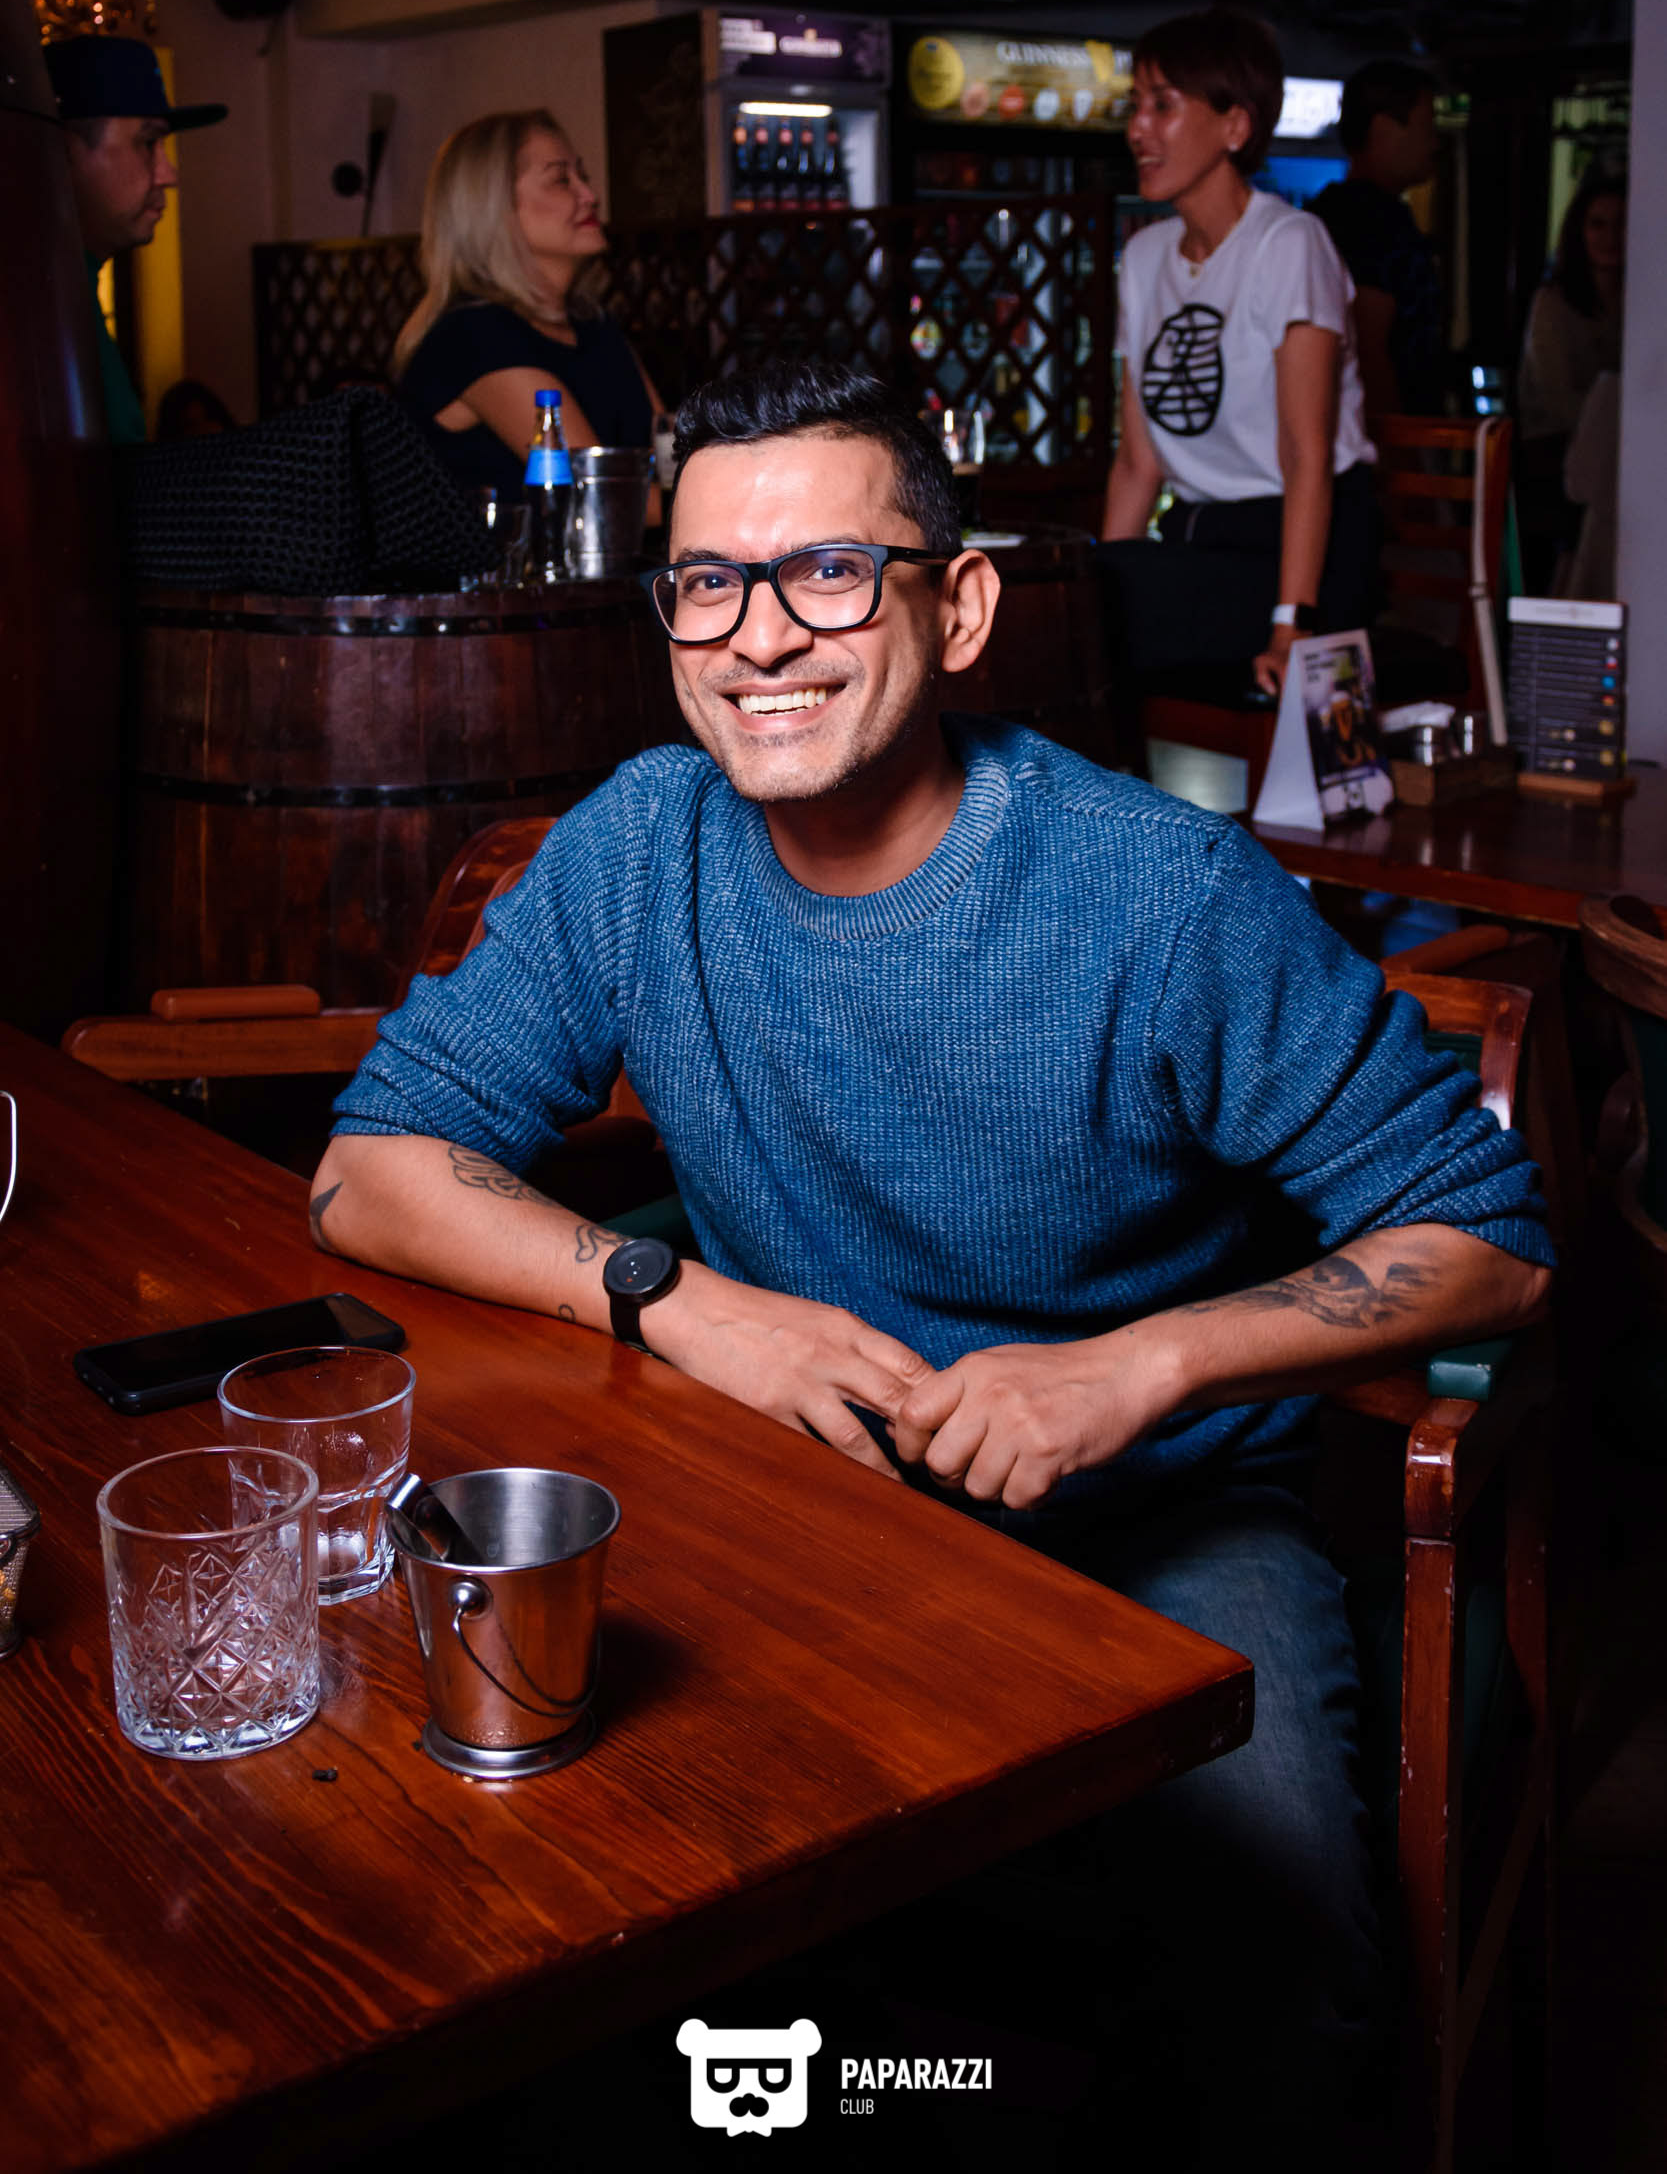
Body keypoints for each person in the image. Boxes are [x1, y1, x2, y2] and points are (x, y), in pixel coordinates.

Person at [312, 358, 1549, 2164]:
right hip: (799, 1495)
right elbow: (367, 1171)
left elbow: (1491, 1244)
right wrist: (678, 1298)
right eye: (708, 583)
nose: (758, 637)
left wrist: (1140, 1366)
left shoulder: (1156, 894)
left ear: (956, 609)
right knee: (571, 1901)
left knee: (1274, 1975)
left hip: (1159, 1527)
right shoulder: (642, 845)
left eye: (828, 572)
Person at [1099, 9, 1378, 700]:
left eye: (1163, 105)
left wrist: (1290, 627)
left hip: (1305, 552)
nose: (1138, 130)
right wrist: (1096, 596)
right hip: (1200, 543)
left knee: (1113, 607)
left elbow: (1306, 454)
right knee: (1072, 603)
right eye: (1135, 106)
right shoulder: (1145, 257)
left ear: (1235, 126)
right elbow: (1137, 464)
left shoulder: (1290, 243)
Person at [393, 107, 662, 495]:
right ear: (493, 208)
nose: (591, 196)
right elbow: (601, 497)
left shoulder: (592, 323)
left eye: (583, 176)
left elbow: (667, 447)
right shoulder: (474, 337)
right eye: (561, 180)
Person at [45, 34, 228, 447]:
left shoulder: (73, 295)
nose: (168, 174)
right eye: (148, 142)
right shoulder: (34, 310)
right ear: (63, 150)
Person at [1309, 59, 1446, 417]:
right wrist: (1395, 441)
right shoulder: (1369, 220)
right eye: (1426, 127)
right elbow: (1368, 346)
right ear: (1384, 129)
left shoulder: (1334, 212)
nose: (1434, 143)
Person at [1515, 167, 1626, 592]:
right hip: (1556, 456)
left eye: (1620, 223)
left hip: (1621, 457)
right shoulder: (1553, 303)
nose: (1610, 237)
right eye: (1598, 224)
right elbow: (1557, 397)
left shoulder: (1641, 303)